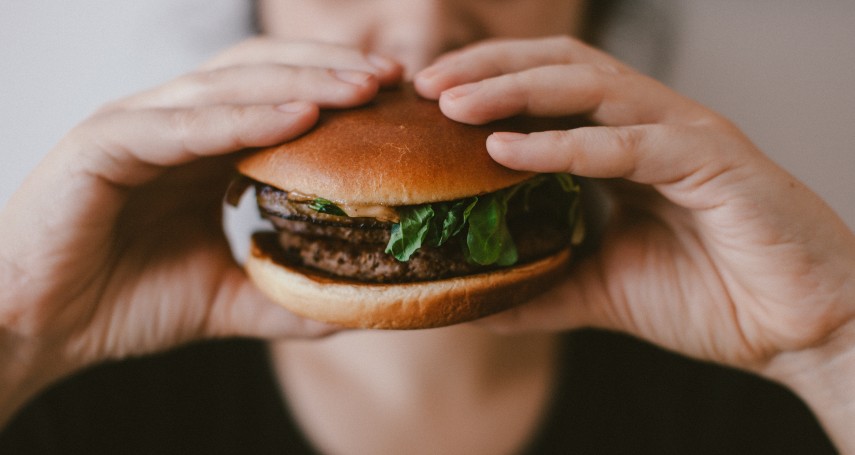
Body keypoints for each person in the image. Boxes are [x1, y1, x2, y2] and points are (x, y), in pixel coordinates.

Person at [1, 0, 853, 453]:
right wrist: (18, 334)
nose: (422, 26)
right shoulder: (72, 398)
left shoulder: (757, 397)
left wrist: (833, 347)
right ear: (259, 15)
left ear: (589, 14)